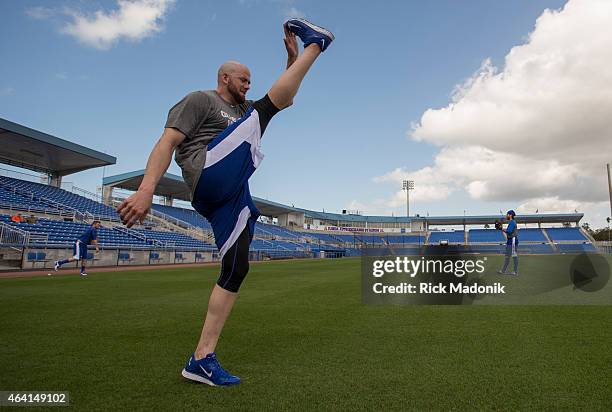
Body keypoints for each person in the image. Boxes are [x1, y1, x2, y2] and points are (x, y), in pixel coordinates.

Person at [116, 18, 334, 386]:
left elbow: (285, 98)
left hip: (229, 194)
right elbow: (166, 142)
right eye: (243, 79)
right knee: (262, 112)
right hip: (207, 173)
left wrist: (291, 63)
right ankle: (318, 44)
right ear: (224, 78)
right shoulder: (200, 100)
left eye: (250, 80)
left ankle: (201, 359)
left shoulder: (241, 113)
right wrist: (146, 188)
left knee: (236, 268)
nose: (248, 84)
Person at [497, 210, 519, 275]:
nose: (506, 215)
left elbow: (509, 231)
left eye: (507, 214)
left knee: (514, 256)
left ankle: (515, 271)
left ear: (510, 215)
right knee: (507, 256)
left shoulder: (512, 222)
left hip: (513, 240)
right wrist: (502, 229)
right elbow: (508, 231)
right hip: (510, 240)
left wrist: (501, 229)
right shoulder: (511, 222)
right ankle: (503, 271)